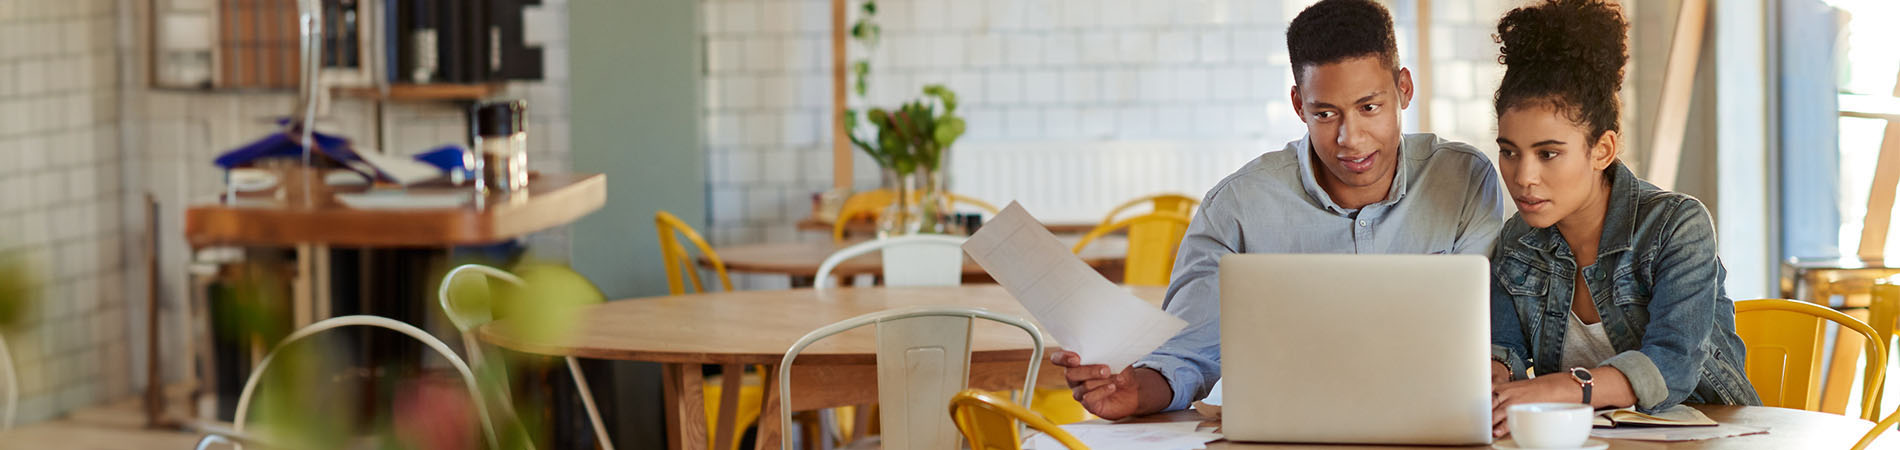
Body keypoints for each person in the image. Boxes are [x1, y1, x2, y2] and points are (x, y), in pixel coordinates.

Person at [1051, 0, 1506, 419]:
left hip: (1431, 421)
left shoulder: (1463, 180)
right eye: (1325, 114)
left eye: (1370, 107)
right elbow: (1186, 353)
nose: (1351, 138)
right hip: (1289, 432)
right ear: (1298, 105)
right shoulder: (1239, 205)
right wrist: (1135, 391)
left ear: (1403, 89)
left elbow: (1484, 334)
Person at [1484, 0, 1761, 437]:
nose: (1523, 177)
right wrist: (1496, 381)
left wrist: (1560, 388)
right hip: (1591, 440)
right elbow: (1505, 350)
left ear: (1603, 150)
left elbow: (1672, 366)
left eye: (1548, 153)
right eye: (1509, 151)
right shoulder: (1517, 241)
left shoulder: (1676, 226)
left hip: (1709, 434)